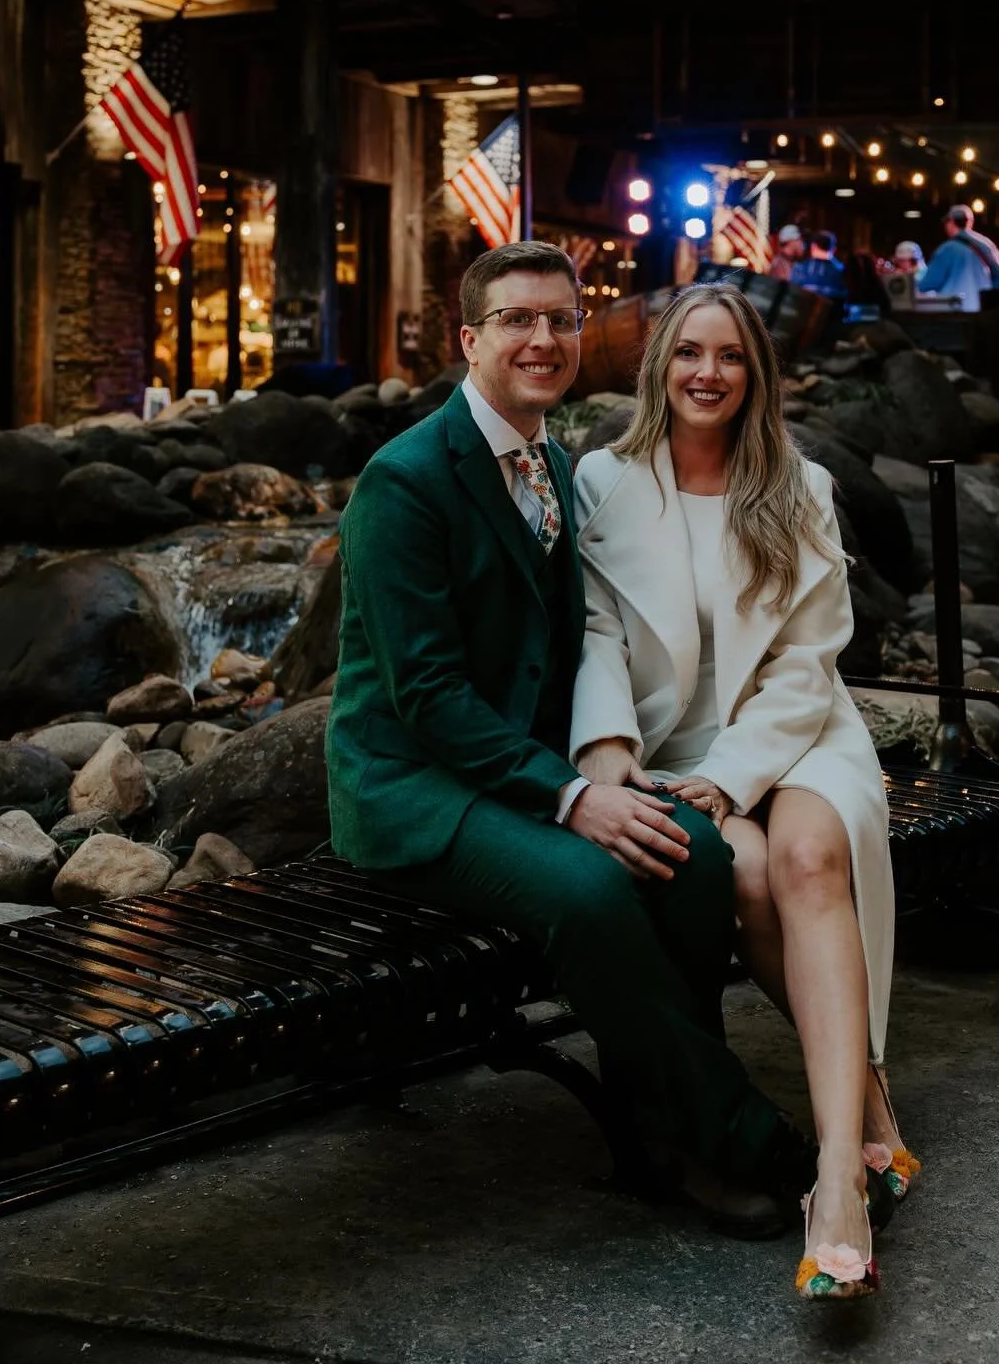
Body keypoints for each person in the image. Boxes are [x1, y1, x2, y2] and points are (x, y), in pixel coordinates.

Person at [326, 241, 818, 1239]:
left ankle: (665, 1133)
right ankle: (741, 1139)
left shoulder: (557, 466)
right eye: (517, 320)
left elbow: (588, 643)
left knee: (695, 854)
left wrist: (619, 767)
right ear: (470, 339)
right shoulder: (405, 480)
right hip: (415, 787)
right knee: (592, 886)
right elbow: (425, 695)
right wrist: (570, 797)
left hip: (523, 774)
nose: (543, 339)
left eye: (561, 319)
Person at [570, 285, 916, 1302]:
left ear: (756, 374)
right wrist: (603, 748)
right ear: (658, 366)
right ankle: (877, 1119)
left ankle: (837, 1185)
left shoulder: (797, 484)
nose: (707, 373)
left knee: (809, 854)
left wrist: (731, 779)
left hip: (796, 731)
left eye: (729, 356)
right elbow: (593, 632)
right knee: (750, 877)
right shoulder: (605, 478)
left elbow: (809, 666)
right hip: (670, 741)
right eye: (688, 353)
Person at [916, 205, 999, 311]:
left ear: (951, 222)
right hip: (981, 311)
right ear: (970, 222)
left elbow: (929, 282)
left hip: (953, 311)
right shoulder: (986, 244)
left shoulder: (947, 249)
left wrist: (914, 283)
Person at [787, 230, 847, 304]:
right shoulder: (842, 271)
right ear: (834, 249)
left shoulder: (800, 269)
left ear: (813, 246)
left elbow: (792, 295)